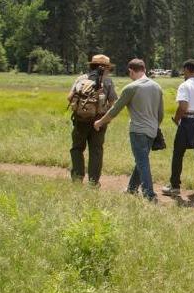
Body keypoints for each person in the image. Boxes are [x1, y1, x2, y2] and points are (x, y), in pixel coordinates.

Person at [94, 58, 164, 201]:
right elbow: (160, 113)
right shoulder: (157, 87)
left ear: (131, 71)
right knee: (141, 160)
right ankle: (132, 189)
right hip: (152, 130)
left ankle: (149, 194)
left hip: (137, 130)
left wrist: (100, 122)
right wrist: (155, 127)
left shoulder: (131, 88)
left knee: (142, 161)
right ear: (144, 69)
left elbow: (115, 110)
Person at [162, 59, 194, 200]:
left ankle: (175, 186)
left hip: (187, 122)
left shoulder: (184, 86)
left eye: (183, 70)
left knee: (178, 154)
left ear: (187, 70)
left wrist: (177, 119)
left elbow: (183, 107)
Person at [67, 54, 118, 186]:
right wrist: (106, 118)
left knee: (77, 148)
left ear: (91, 65)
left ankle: (77, 179)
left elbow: (69, 97)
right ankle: (93, 182)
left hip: (80, 120)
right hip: (99, 122)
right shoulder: (107, 81)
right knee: (96, 150)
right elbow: (113, 102)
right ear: (106, 67)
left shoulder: (81, 79)